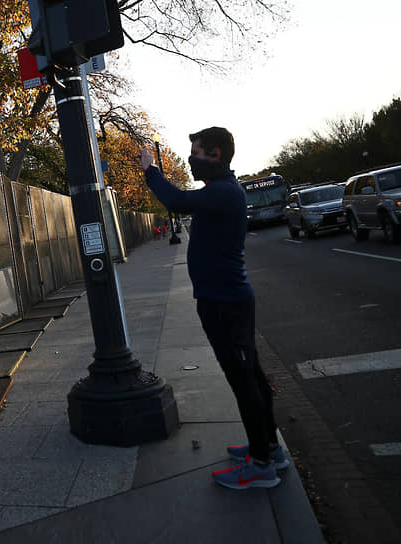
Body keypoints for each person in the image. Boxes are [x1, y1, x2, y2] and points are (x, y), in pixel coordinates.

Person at [140, 127, 288, 490]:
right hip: (225, 299)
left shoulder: (223, 192)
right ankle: (267, 447)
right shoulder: (220, 190)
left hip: (225, 302)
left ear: (216, 154)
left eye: (196, 153)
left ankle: (261, 465)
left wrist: (150, 170)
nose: (191, 159)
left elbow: (175, 201)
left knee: (244, 381)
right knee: (250, 375)